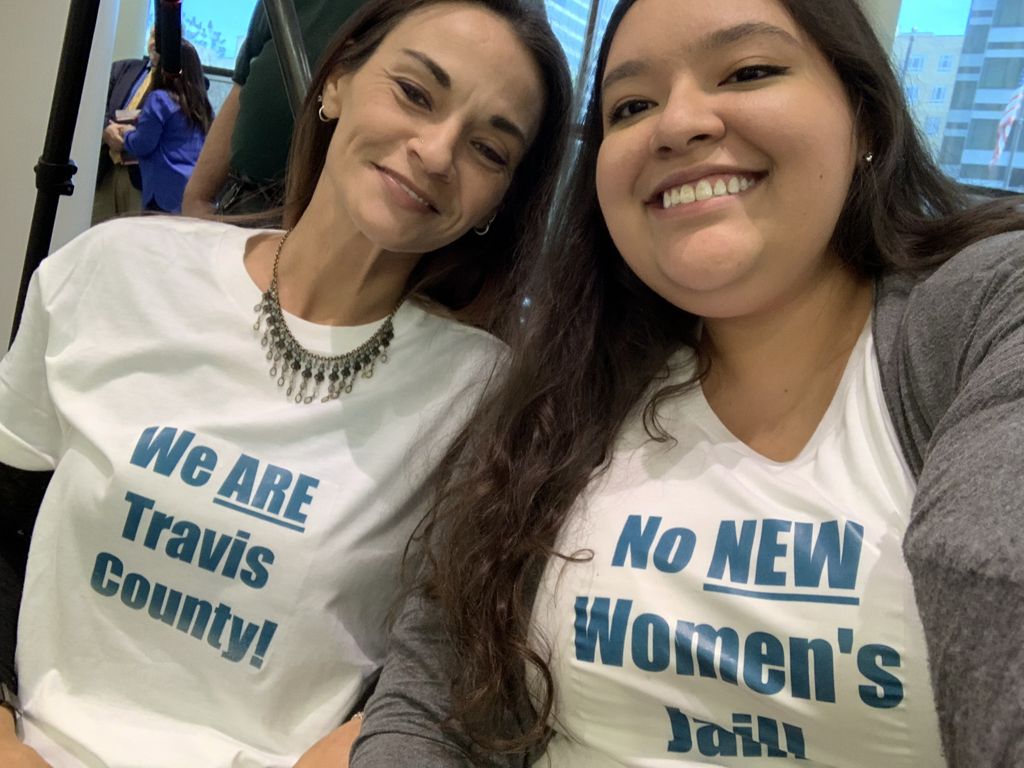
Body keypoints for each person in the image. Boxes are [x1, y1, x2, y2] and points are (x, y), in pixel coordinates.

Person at [350, 0, 1024, 767]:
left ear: (865, 120)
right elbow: (431, 702)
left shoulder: (983, 320)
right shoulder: (557, 392)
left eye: (749, 71)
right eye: (632, 106)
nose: (678, 124)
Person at [0, 0, 570, 765]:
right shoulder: (115, 271)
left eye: (490, 149)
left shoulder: (485, 399)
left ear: (499, 203)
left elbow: (433, 685)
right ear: (334, 81)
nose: (436, 152)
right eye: (414, 93)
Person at [182, 0, 369, 218]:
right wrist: (197, 196)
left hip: (320, 213)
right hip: (240, 197)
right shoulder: (279, 6)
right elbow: (243, 82)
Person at [103, 40, 213, 214]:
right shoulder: (201, 105)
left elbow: (143, 144)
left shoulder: (160, 99)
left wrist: (127, 134)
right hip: (188, 192)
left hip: (160, 193)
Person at [92, 29, 156, 223]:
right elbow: (94, 104)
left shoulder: (183, 83)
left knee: (132, 244)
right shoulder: (122, 69)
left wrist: (137, 136)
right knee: (96, 238)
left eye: (162, 36)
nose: (155, 42)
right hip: (106, 170)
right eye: (153, 36)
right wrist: (105, 129)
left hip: (142, 178)